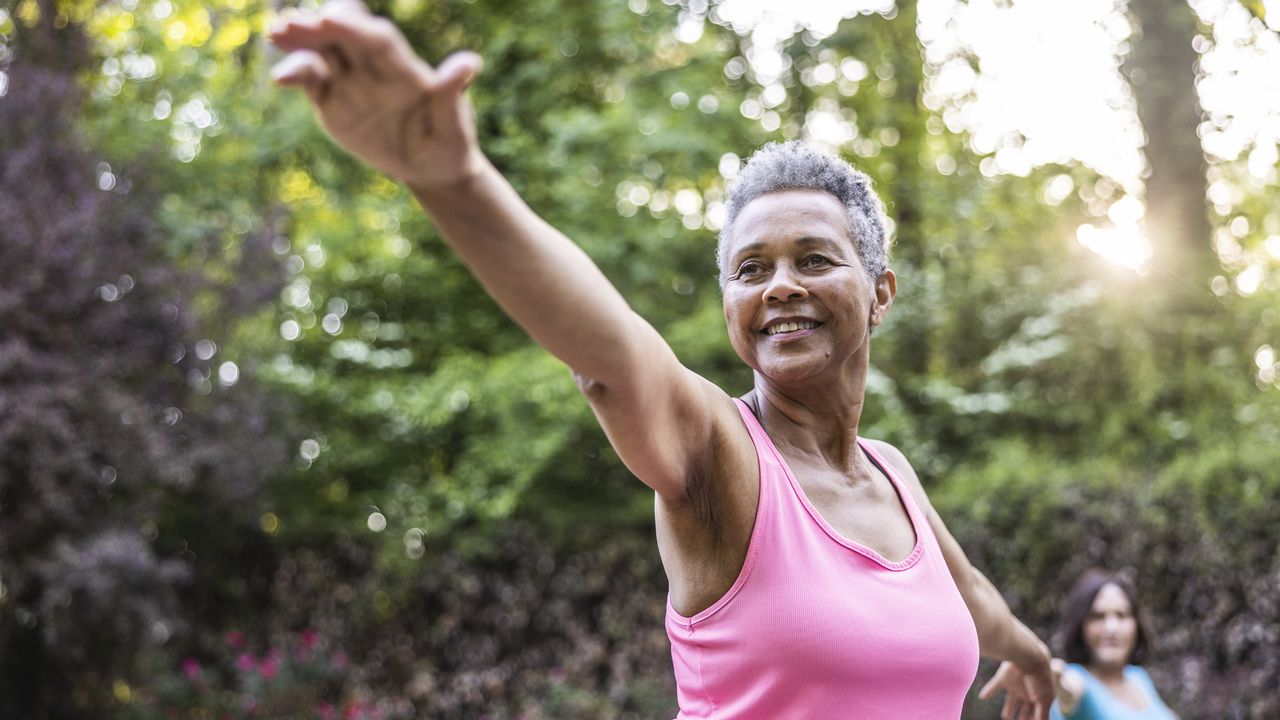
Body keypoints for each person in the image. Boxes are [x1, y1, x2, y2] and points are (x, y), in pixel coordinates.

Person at [268, 3, 1055, 717]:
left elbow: (970, 596)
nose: (780, 286)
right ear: (730, 306)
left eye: (814, 260)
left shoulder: (891, 475)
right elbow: (612, 354)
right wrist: (455, 182)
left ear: (879, 293)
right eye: (751, 270)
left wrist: (1027, 652)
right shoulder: (721, 455)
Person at [1049, 572, 1178, 720]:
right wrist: (1062, 687)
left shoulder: (1138, 677)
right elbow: (1069, 693)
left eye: (1121, 615)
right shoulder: (1077, 677)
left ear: (1136, 624)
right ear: (1080, 626)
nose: (1111, 628)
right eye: (1098, 616)